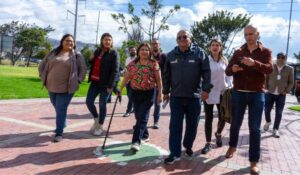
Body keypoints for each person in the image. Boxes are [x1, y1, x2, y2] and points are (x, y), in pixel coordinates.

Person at [225, 25, 273, 174]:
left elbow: (269, 69)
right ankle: (232, 146)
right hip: (238, 93)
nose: (248, 37)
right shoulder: (239, 51)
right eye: (246, 34)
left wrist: (254, 63)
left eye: (251, 34)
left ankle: (253, 162)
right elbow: (227, 70)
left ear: (257, 34)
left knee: (254, 128)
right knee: (235, 124)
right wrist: (232, 69)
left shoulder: (266, 52)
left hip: (257, 94)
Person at [163, 29, 212, 164]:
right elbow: (166, 75)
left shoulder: (199, 53)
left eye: (185, 37)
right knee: (175, 125)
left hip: (194, 97)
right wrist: (165, 92)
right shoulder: (171, 55)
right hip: (176, 97)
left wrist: (206, 90)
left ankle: (188, 145)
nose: (182, 39)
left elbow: (206, 73)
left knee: (192, 125)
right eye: (179, 37)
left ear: (190, 39)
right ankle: (174, 153)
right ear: (176, 40)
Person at [39, 34, 87, 142]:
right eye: (67, 41)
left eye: (72, 41)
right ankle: (63, 122)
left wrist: (78, 80)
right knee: (56, 105)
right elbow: (43, 63)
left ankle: (59, 132)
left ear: (74, 43)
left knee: (61, 108)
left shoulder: (76, 55)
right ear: (62, 41)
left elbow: (83, 69)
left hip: (67, 88)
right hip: (51, 85)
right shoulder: (53, 52)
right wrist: (42, 75)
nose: (69, 43)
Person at [119, 43, 162, 152]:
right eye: (142, 49)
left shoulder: (154, 64)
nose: (144, 52)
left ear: (150, 52)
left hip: (149, 93)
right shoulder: (132, 64)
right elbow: (126, 77)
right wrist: (120, 89)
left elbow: (159, 80)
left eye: (147, 50)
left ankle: (136, 141)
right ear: (138, 51)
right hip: (135, 93)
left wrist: (160, 93)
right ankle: (145, 135)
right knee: (139, 116)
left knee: (142, 116)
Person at [201, 39, 232, 154]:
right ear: (209, 48)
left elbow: (229, 75)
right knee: (208, 118)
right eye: (213, 45)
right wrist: (203, 89)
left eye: (217, 45)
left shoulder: (225, 60)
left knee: (223, 116)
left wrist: (229, 85)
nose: (215, 47)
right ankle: (208, 143)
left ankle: (218, 134)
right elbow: (202, 76)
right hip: (209, 92)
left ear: (221, 47)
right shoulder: (206, 60)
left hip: (222, 92)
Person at [86, 33, 120, 136]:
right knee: (88, 101)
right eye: (105, 39)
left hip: (106, 84)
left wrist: (111, 85)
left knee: (102, 104)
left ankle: (100, 126)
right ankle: (96, 120)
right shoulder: (98, 51)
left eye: (109, 40)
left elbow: (115, 70)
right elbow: (92, 62)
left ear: (112, 41)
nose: (107, 41)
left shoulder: (114, 53)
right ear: (102, 40)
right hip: (95, 82)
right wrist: (90, 58)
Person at [263, 52, 294, 138]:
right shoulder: (271, 66)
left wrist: (286, 91)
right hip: (270, 92)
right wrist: (266, 87)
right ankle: (268, 121)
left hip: (281, 94)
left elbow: (291, 82)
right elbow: (266, 77)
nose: (280, 59)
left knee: (279, 113)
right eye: (279, 57)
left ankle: (275, 130)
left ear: (285, 59)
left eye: (282, 57)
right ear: (276, 58)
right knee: (266, 110)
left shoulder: (290, 69)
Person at [151, 38, 167, 129]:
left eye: (156, 44)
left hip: (159, 85)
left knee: (157, 103)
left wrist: (165, 86)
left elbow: (166, 71)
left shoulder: (163, 57)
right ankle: (142, 121)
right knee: (147, 104)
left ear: (159, 45)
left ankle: (156, 122)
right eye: (153, 44)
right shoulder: (148, 56)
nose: (155, 45)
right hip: (148, 85)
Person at [123, 47, 137, 117]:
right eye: (131, 50)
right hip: (128, 80)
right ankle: (134, 107)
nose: (132, 51)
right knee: (129, 95)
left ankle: (128, 111)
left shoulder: (138, 59)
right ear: (129, 51)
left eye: (134, 50)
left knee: (131, 96)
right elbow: (126, 68)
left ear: (136, 51)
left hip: (135, 80)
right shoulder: (127, 59)